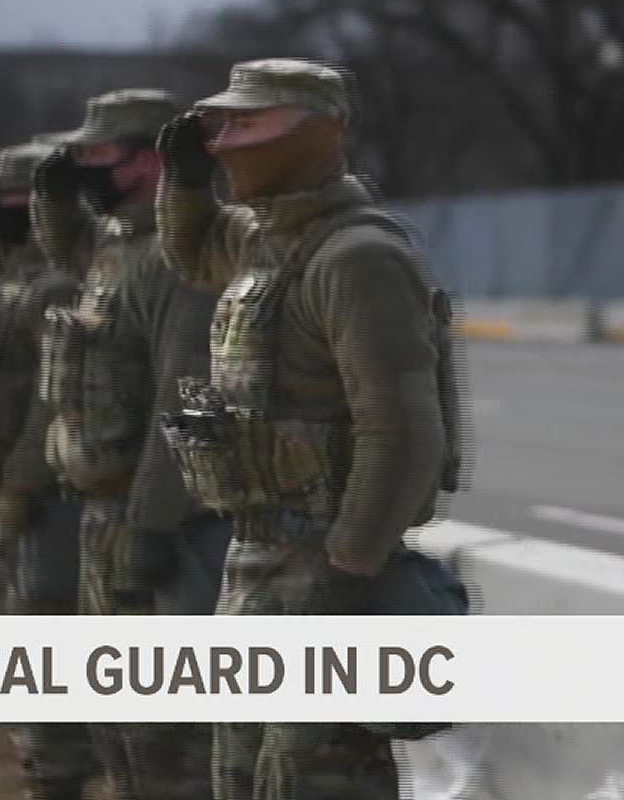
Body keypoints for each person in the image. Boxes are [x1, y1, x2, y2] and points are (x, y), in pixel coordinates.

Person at [155, 58, 466, 800]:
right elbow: (192, 253)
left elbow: (404, 434)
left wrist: (347, 570)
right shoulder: (269, 240)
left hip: (321, 563)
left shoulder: (356, 257)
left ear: (316, 130)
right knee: (245, 772)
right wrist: (185, 181)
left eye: (246, 122)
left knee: (316, 774)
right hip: (258, 555)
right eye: (217, 124)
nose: (224, 140)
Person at [34, 87, 204, 800]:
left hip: (152, 521)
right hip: (101, 512)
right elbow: (57, 247)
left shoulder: (176, 258)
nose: (84, 167)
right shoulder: (114, 245)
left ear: (147, 160)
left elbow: (182, 398)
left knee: (159, 730)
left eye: (97, 154)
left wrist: (150, 524)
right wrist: (52, 194)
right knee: (115, 723)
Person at [0, 141, 103, 799]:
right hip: (0, 482)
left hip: (45, 495)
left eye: (2, 200)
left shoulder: (57, 286)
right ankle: (43, 762)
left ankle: (58, 773)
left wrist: (19, 482)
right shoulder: (4, 287)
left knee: (44, 631)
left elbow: (54, 399)